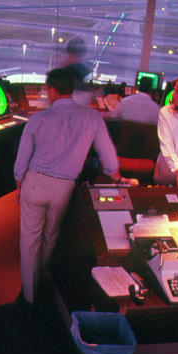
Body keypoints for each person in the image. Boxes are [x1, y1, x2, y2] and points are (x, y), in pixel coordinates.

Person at [14, 67, 137, 305]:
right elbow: (109, 158)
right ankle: (43, 281)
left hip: (35, 183)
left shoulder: (37, 119)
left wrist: (19, 186)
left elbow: (21, 161)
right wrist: (117, 178)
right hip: (64, 188)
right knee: (50, 237)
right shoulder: (92, 118)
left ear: (51, 90)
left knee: (29, 242)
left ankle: (30, 297)